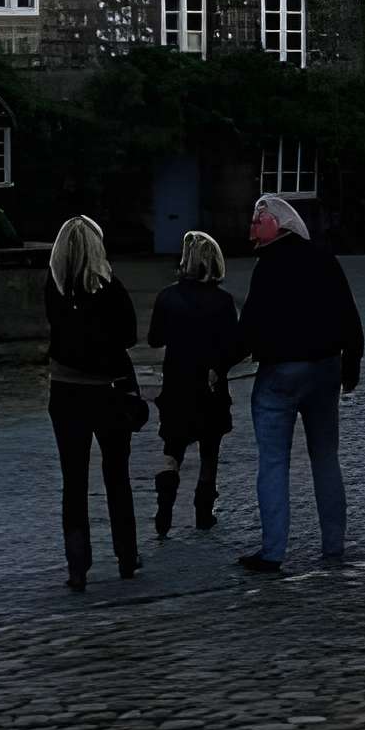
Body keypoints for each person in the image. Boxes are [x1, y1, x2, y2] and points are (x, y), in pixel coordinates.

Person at [235, 192, 362, 574]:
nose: (252, 229)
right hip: (325, 368)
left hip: (280, 373)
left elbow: (250, 328)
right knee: (326, 457)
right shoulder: (323, 259)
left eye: (258, 221)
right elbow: (347, 311)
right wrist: (351, 361)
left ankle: (273, 551)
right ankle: (333, 545)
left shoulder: (268, 268)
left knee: (273, 462)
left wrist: (217, 363)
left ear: (277, 225)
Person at [43, 213, 141, 591]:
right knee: (117, 476)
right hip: (109, 390)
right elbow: (130, 337)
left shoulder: (54, 288)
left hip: (67, 391)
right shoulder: (112, 289)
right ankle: (127, 555)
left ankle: (77, 565)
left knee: (74, 481)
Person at [147, 229, 241, 537]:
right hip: (210, 383)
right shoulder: (223, 301)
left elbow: (154, 339)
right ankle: (204, 511)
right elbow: (235, 345)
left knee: (172, 445)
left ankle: (165, 502)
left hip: (177, 381)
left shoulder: (167, 296)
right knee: (209, 450)